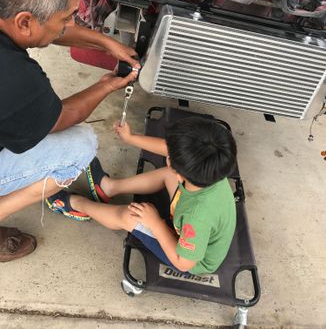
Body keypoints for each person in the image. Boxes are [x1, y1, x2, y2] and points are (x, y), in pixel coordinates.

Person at [0, 0, 139, 262]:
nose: (70, 23)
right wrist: (107, 85)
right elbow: (60, 119)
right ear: (24, 23)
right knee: (79, 145)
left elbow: (46, 28)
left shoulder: (10, 9)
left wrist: (106, 43)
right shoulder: (15, 78)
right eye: (66, 17)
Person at [47, 117, 237, 274]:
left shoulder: (196, 217)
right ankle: (108, 188)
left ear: (183, 174)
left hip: (190, 258)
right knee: (167, 173)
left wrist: (156, 223)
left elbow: (183, 263)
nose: (168, 154)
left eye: (171, 156)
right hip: (191, 214)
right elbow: (172, 150)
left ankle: (78, 204)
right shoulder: (211, 169)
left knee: (129, 216)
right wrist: (131, 138)